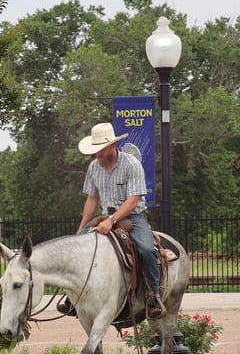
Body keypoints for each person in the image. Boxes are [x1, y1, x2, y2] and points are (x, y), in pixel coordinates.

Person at [57, 122, 165, 319]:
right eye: (94, 149)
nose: (95, 153)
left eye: (98, 149)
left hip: (132, 216)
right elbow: (92, 199)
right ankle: (72, 298)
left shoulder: (131, 164)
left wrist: (113, 220)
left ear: (111, 146)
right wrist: (80, 230)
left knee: (147, 249)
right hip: (105, 216)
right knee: (75, 248)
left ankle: (153, 294)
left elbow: (133, 201)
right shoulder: (93, 167)